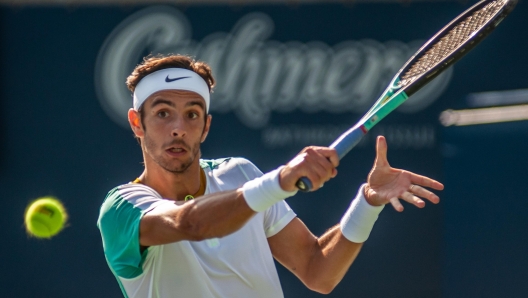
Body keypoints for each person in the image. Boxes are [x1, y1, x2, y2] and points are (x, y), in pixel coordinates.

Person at [97, 54, 444, 298]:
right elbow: (190, 224)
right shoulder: (122, 209)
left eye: (191, 114)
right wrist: (279, 182)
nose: (178, 129)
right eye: (162, 113)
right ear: (136, 123)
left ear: (206, 127)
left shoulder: (240, 174)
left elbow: (317, 271)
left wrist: (367, 203)